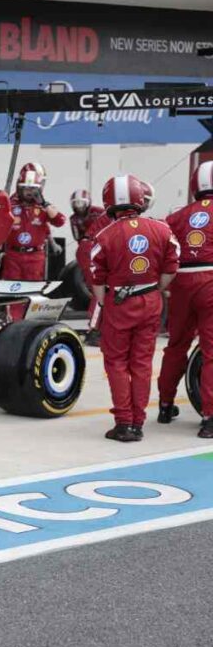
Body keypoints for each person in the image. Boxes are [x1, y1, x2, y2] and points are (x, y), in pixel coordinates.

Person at [90, 174, 180, 442]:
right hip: (151, 299)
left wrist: (108, 302)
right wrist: (154, 288)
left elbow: (96, 278)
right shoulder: (162, 229)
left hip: (119, 301)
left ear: (109, 202)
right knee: (141, 363)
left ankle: (123, 423)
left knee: (117, 362)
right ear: (140, 199)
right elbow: (171, 267)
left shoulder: (104, 235)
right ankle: (138, 423)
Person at [157, 162, 213, 437]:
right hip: (211, 280)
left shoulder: (177, 217)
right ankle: (210, 418)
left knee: (176, 345)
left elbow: (162, 249)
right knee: (212, 350)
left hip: (181, 281)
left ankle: (165, 405)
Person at [1, 163, 66, 281]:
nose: (29, 192)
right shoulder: (9, 204)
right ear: (19, 188)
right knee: (11, 292)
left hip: (35, 257)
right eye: (26, 188)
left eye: (33, 188)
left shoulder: (44, 207)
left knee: (33, 290)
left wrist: (44, 204)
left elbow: (60, 221)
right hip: (13, 256)